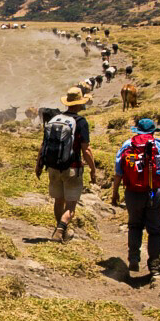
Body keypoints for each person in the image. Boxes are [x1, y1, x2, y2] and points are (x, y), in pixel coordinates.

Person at [111, 118, 160, 279]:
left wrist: (115, 192)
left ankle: (133, 258)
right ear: (153, 132)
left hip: (132, 192)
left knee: (134, 225)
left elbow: (119, 172)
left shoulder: (127, 146)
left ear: (137, 131)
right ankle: (154, 264)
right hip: (155, 192)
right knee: (155, 230)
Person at [36, 86, 97, 241]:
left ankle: (61, 230)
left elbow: (43, 145)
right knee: (71, 205)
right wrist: (93, 169)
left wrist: (39, 165)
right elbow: (86, 149)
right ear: (79, 104)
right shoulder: (81, 122)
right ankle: (60, 229)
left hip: (53, 167)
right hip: (72, 168)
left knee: (58, 201)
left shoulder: (54, 119)